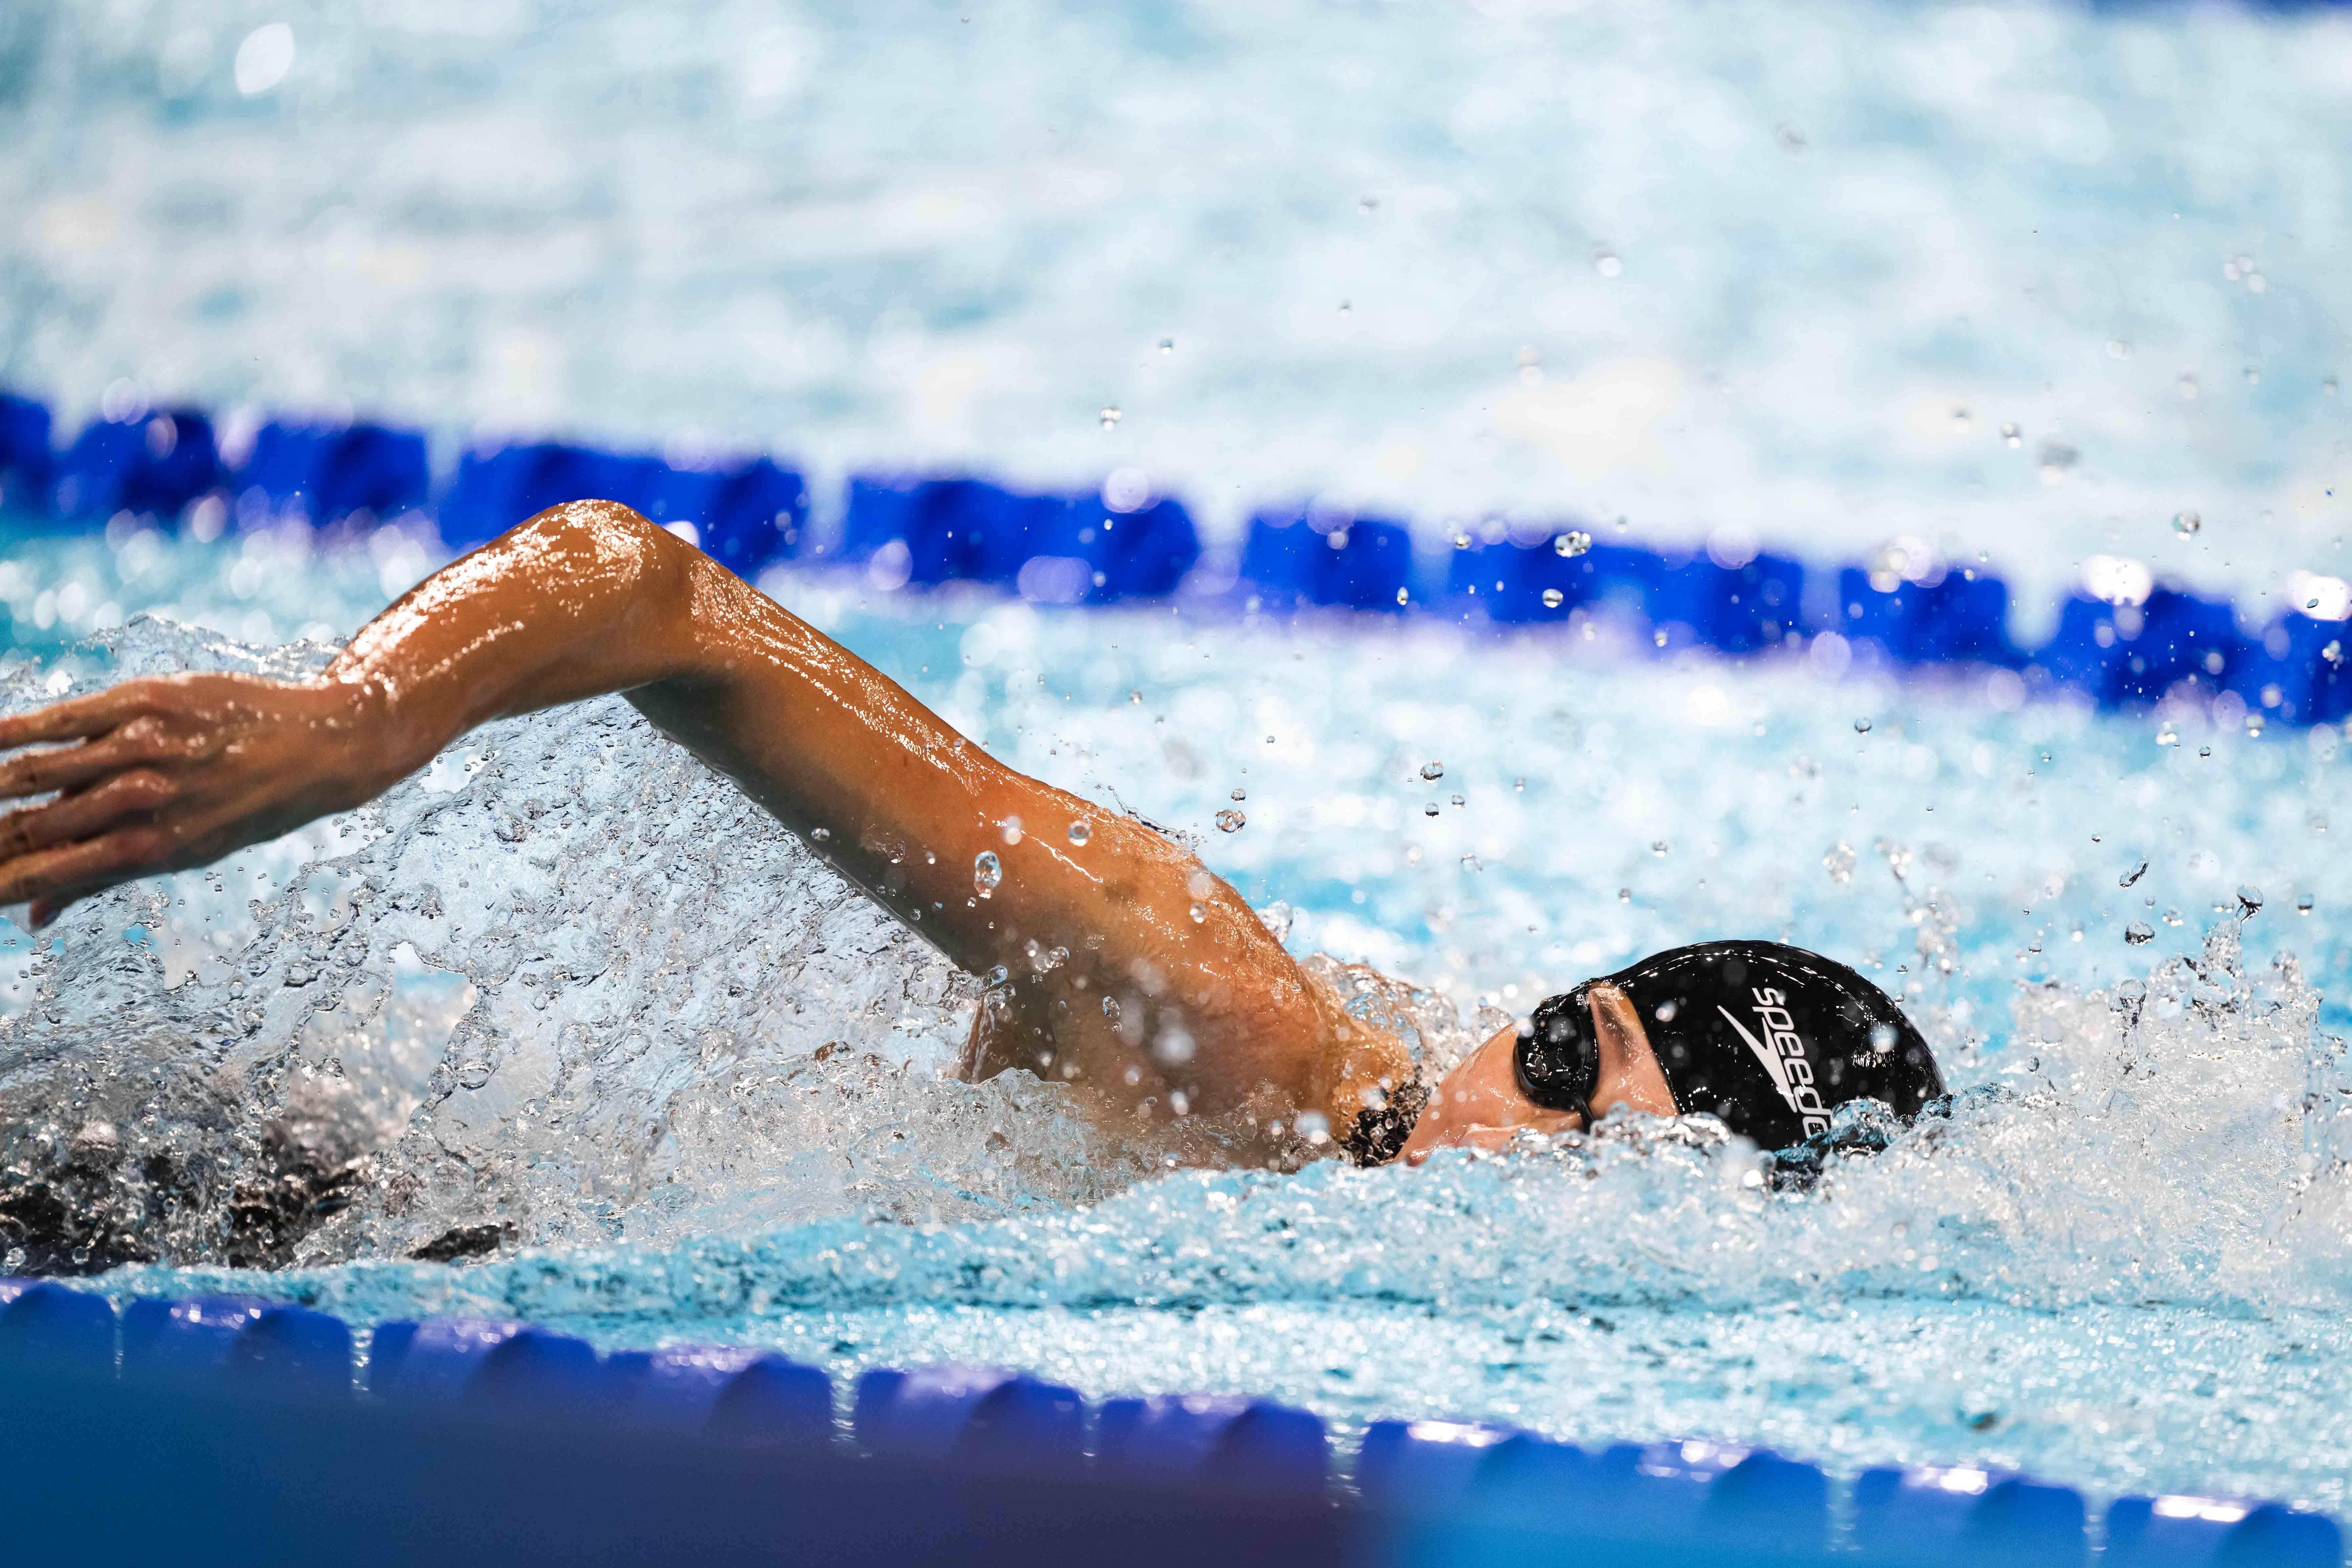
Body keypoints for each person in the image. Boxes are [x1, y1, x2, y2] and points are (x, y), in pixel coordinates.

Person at [0, 502, 1944, 1168]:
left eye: (1599, 1139)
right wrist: (359, 720)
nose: (1520, 1128)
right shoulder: (1225, 1024)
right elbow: (646, 586)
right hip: (368, 1214)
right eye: (1560, 1056)